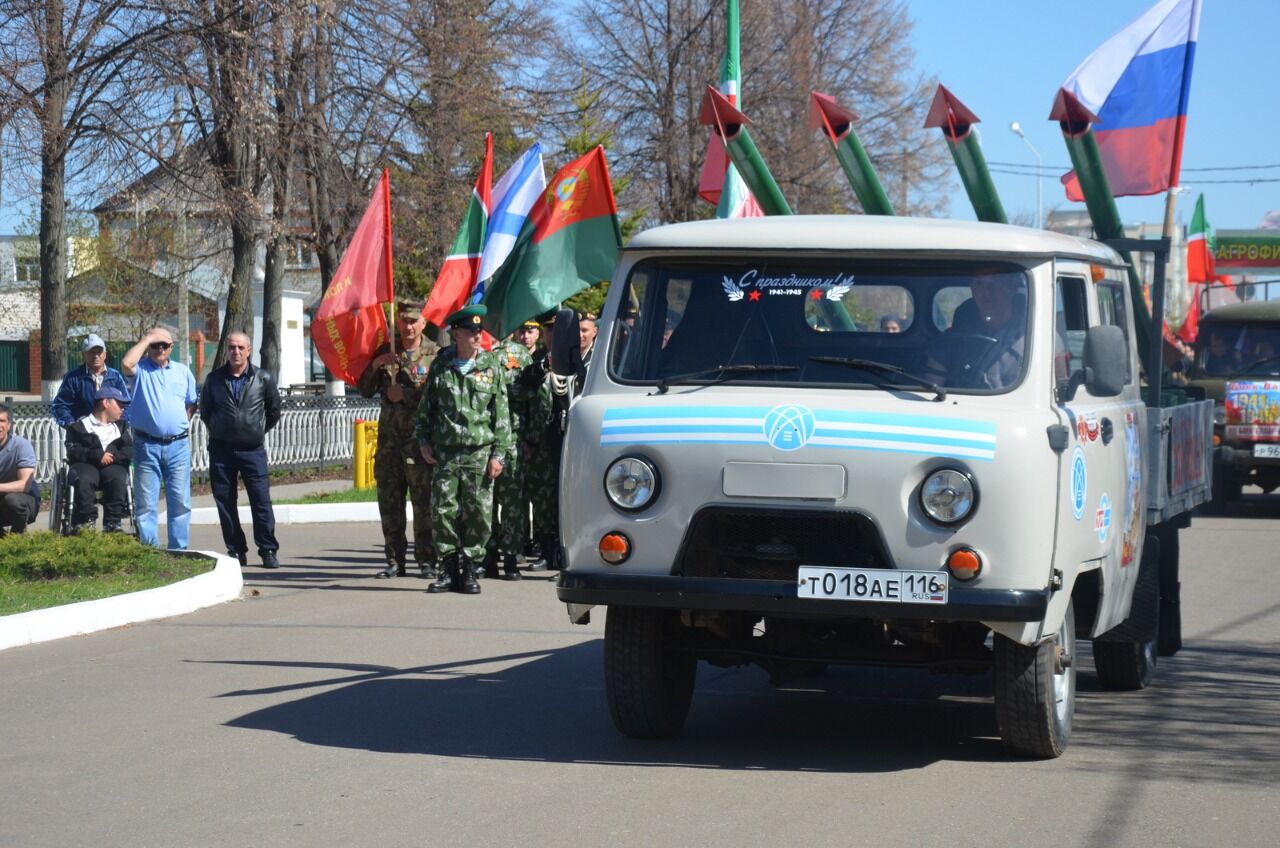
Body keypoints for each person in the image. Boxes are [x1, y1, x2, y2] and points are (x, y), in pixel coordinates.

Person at [415, 304, 511, 595]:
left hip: (478, 452)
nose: (476, 336)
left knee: (478, 514)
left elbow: (501, 413)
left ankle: (470, 567)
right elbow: (425, 409)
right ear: (456, 333)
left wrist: (499, 454)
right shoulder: (442, 364)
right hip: (446, 452)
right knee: (443, 511)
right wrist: (423, 440)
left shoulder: (491, 365)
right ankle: (446, 568)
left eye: (478, 331)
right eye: (471, 332)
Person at [358, 299, 440, 578]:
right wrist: (376, 365)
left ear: (423, 323)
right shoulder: (387, 350)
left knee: (423, 505)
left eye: (413, 321)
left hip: (419, 445)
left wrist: (406, 395)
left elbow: (439, 397)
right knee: (390, 505)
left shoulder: (435, 354)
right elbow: (365, 389)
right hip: (389, 445)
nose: (408, 326)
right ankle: (394, 560)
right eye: (403, 321)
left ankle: (427, 560)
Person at [199, 331, 282, 569]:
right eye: (232, 347)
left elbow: (274, 411)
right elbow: (206, 412)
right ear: (227, 350)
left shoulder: (263, 378)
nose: (236, 352)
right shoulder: (214, 379)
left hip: (252, 451)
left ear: (249, 350)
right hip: (221, 450)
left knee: (261, 501)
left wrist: (255, 430)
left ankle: (267, 549)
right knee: (225, 501)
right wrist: (220, 429)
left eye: (240, 348)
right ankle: (235, 549)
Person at [121, 326, 198, 550]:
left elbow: (191, 402)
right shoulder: (141, 370)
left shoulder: (183, 372)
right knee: (146, 504)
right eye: (155, 345)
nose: (159, 349)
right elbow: (126, 363)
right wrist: (148, 338)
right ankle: (150, 551)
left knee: (180, 502)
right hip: (147, 445)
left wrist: (179, 425)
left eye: (164, 345)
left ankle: (178, 550)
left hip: (178, 446)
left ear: (171, 348)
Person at [482, 319, 536, 580]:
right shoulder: (475, 353)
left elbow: (531, 398)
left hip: (512, 437)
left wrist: (528, 437)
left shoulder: (519, 355)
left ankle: (512, 557)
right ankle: (487, 556)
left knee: (512, 503)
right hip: (479, 438)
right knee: (484, 503)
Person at [925, 276, 1026, 390]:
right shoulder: (948, 342)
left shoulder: (1032, 339)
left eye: (997, 283)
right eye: (980, 284)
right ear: (972, 289)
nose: (987, 292)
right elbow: (932, 390)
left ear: (1013, 288)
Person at [63, 387, 133, 533]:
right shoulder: (79, 427)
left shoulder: (121, 427)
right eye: (119, 405)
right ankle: (85, 521)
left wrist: (111, 456)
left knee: (118, 477)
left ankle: (113, 522)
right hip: (86, 464)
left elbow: (129, 450)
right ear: (106, 403)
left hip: (113, 464)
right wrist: (97, 455)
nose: (123, 409)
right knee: (85, 478)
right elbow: (72, 450)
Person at [51, 334, 130, 427]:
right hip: (83, 436)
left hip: (112, 434)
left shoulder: (115, 376)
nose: (96, 356)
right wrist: (72, 426)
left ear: (105, 354)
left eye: (99, 352)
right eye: (92, 352)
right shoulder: (73, 378)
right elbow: (60, 406)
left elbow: (127, 404)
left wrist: (120, 425)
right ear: (84, 354)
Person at [0, 403, 41, 537]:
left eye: (2, 421)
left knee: (12, 500)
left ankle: (17, 538)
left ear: (9, 425)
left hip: (24, 499)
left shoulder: (21, 446)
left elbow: (25, 485)